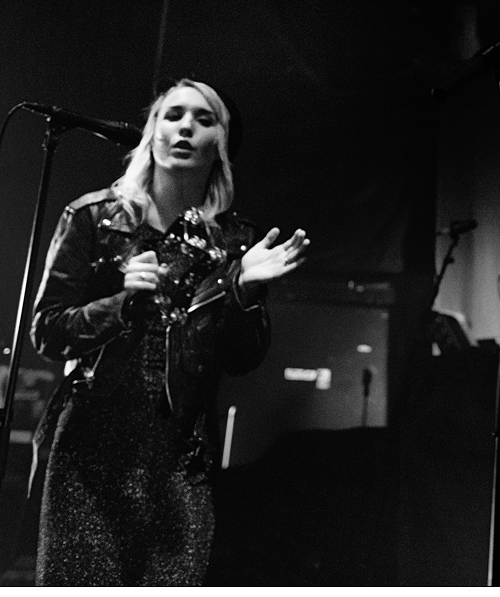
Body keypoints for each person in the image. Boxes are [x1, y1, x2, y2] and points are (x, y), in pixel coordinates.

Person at [28, 78, 308, 585]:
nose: (186, 128)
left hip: (177, 459)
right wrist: (121, 303)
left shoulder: (236, 240)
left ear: (220, 144)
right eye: (173, 115)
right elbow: (47, 332)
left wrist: (241, 290)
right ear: (151, 132)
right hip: (91, 449)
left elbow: (244, 359)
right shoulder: (93, 216)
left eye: (204, 119)